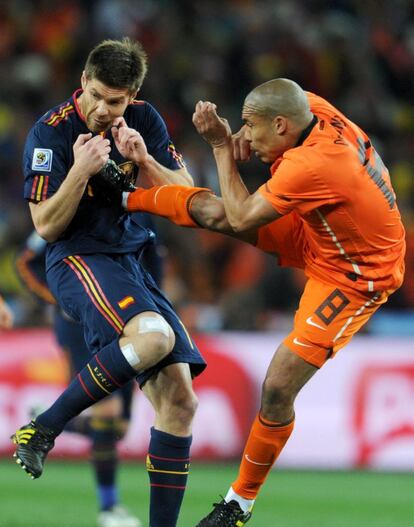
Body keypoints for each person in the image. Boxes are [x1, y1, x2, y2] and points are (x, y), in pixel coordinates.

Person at [119, 78, 406, 526]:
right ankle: (122, 200)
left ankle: (239, 503)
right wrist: (240, 136)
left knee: (277, 386)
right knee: (213, 210)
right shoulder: (308, 109)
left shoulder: (315, 164)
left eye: (252, 128)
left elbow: (242, 216)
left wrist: (219, 145)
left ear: (280, 124)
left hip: (356, 274)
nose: (246, 137)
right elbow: (280, 111)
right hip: (322, 231)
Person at [12, 38, 206, 527]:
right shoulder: (50, 133)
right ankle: (44, 428)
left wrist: (144, 162)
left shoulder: (145, 121)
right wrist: (80, 170)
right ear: (83, 81)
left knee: (180, 402)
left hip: (131, 261)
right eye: (96, 95)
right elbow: (46, 227)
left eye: (114, 101)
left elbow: (188, 199)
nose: (102, 108)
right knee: (154, 338)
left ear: (132, 96)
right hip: (78, 257)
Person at [16, 230, 141, 527]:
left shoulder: (130, 211)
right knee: (106, 412)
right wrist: (62, 298)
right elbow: (25, 262)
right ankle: (109, 508)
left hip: (123, 318)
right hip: (80, 324)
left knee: (117, 428)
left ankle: (47, 419)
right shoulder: (61, 214)